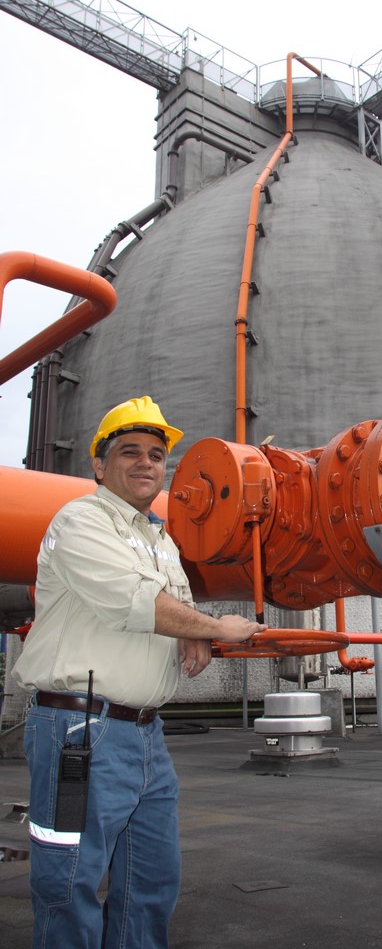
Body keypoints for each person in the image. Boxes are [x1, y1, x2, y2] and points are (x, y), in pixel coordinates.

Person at [13, 396, 267, 949]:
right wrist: (210, 626)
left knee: (149, 882)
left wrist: (192, 630)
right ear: (99, 466)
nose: (146, 463)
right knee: (70, 884)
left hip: (145, 735)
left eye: (156, 455)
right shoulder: (80, 519)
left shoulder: (160, 538)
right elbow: (131, 601)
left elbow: (166, 607)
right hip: (80, 731)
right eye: (129, 452)